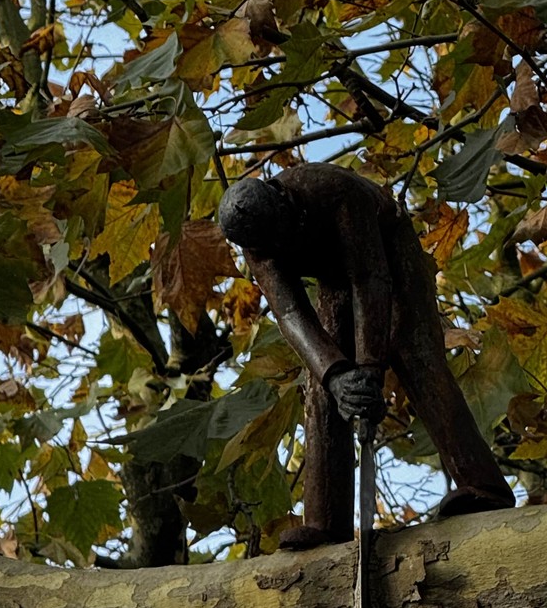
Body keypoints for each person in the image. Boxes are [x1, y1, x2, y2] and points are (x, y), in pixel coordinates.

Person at [218, 163, 515, 548]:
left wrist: (371, 366)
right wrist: (335, 373)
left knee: (416, 354)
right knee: (323, 389)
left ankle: (483, 485)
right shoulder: (257, 241)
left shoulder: (332, 189)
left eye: (285, 231)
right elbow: (291, 313)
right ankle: (326, 522)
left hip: (389, 255)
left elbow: (369, 277)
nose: (284, 244)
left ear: (283, 199)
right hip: (336, 279)